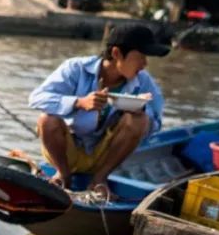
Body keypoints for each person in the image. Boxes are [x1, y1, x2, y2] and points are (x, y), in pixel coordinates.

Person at [29, 23, 169, 195]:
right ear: (117, 53)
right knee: (47, 120)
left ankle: (99, 179)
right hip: (67, 151)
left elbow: (157, 123)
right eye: (141, 56)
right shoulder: (75, 68)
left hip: (106, 156)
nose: (145, 64)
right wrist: (78, 103)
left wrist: (139, 111)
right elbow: (37, 98)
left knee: (139, 120)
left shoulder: (144, 81)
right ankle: (64, 175)